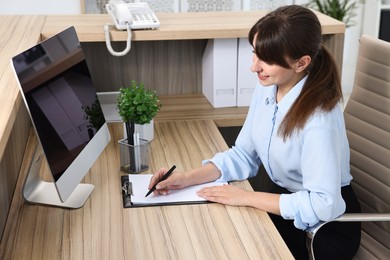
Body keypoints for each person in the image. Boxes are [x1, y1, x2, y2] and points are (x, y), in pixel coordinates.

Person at [148, 5, 361, 259]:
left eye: (267, 60)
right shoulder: (268, 87)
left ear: (301, 63)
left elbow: (323, 204)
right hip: (285, 208)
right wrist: (186, 178)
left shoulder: (318, 117)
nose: (254, 67)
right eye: (255, 54)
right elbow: (244, 155)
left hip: (324, 230)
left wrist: (244, 197)